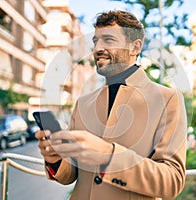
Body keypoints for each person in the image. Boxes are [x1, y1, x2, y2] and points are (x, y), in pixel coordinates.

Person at [36, 10, 187, 200]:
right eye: (96, 41)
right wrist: (56, 158)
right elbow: (72, 173)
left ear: (135, 47)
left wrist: (108, 156)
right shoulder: (83, 103)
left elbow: (172, 181)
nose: (98, 48)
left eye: (108, 40)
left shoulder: (167, 99)